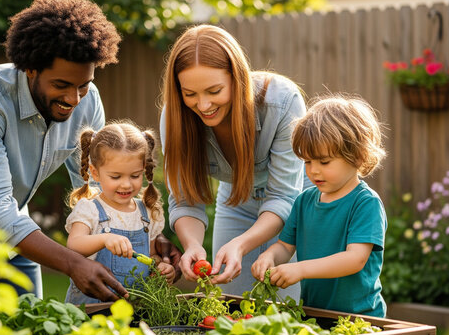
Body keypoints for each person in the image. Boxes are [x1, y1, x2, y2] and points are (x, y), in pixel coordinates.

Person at [0, 0, 179, 301]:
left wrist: (150, 238)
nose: (73, 100)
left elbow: (97, 187)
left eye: (83, 86)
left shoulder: (87, 103)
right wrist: (72, 262)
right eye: (61, 85)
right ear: (30, 68)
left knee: (33, 332)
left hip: (9, 236)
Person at [160, 24, 307, 298]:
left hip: (296, 198)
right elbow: (184, 198)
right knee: (231, 302)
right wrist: (192, 244)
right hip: (237, 198)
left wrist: (240, 244)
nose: (203, 105)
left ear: (236, 78)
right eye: (190, 94)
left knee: (288, 305)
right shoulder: (175, 116)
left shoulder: (283, 102)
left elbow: (283, 196)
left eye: (214, 91)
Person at [251, 94, 387, 317]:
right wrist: (269, 257)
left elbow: (355, 259)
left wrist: (301, 269)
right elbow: (285, 247)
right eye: (307, 161)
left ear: (358, 156)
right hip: (314, 314)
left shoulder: (365, 203)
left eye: (324, 162)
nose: (313, 170)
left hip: (361, 319)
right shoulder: (304, 200)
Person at [64, 122, 175, 304]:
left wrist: (161, 267)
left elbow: (151, 255)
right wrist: (104, 239)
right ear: (95, 173)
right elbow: (74, 245)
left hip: (135, 309)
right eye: (116, 177)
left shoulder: (146, 212)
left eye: (135, 175)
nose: (126, 184)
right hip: (93, 311)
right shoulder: (90, 209)